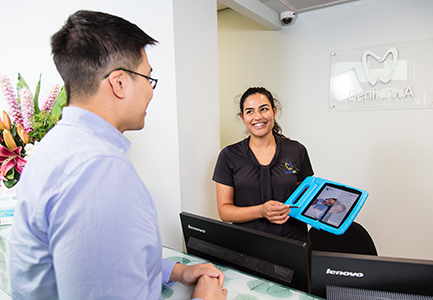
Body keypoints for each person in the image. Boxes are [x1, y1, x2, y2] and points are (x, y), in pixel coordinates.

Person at [9, 10, 227, 300]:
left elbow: (94, 266)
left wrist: (173, 271)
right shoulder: (98, 170)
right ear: (119, 83)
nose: (151, 91)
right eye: (149, 78)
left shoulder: (58, 145)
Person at [213, 87, 314, 242]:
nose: (257, 117)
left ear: (274, 111)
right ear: (242, 117)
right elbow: (225, 211)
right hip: (248, 245)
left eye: (264, 109)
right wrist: (261, 211)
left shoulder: (296, 150)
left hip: (293, 243)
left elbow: (304, 199)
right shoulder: (229, 156)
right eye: (250, 111)